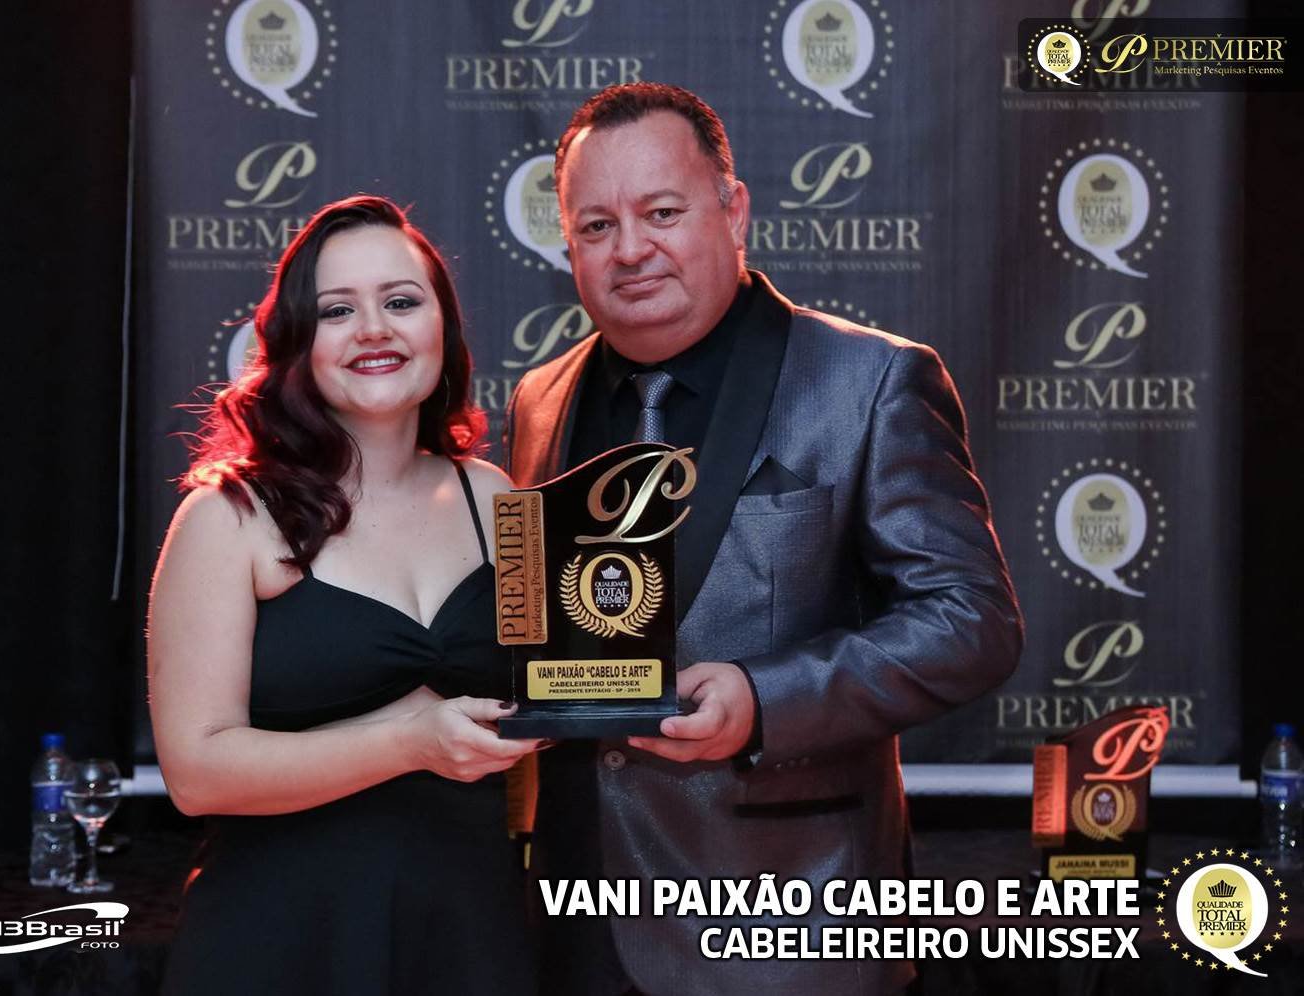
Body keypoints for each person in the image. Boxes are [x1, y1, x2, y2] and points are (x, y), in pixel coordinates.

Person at [503, 83, 1024, 995]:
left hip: (788, 926)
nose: (630, 249)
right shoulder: (539, 399)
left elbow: (973, 620)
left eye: (662, 213)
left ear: (733, 210)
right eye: (597, 226)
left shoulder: (871, 381)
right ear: (568, 244)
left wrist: (763, 698)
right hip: (574, 923)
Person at [149, 195, 540, 995]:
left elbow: (546, 691)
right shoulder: (229, 515)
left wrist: (640, 689)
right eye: (337, 310)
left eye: (401, 301)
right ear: (299, 342)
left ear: (443, 327)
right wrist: (411, 742)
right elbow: (195, 774)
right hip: (282, 942)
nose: (374, 330)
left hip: (470, 935)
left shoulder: (501, 500)